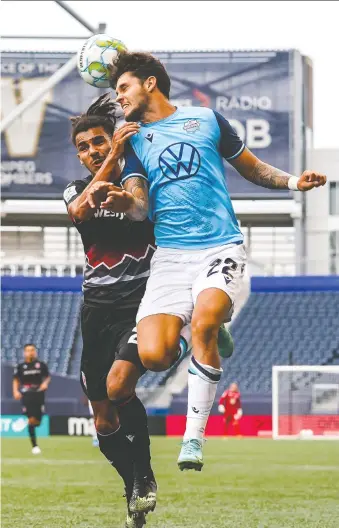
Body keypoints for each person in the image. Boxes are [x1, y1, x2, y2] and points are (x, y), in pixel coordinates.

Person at [97, 51, 327, 472]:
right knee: (154, 356)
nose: (119, 98)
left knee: (206, 319)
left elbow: (253, 169)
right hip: (170, 257)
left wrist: (295, 181)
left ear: (150, 83)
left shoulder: (206, 119)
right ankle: (198, 328)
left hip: (219, 244)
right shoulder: (131, 140)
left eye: (124, 88)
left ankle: (193, 440)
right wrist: (123, 201)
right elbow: (139, 206)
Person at [64, 95, 191, 527]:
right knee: (103, 421)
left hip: (143, 306)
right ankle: (134, 482)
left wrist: (129, 142)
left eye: (98, 141)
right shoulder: (75, 190)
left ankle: (144, 478)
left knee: (120, 386)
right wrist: (114, 152)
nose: (91, 151)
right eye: (83, 146)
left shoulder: (145, 183)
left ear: (111, 138)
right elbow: (79, 212)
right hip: (95, 312)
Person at [12, 343, 50, 455]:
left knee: (37, 422)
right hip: (26, 394)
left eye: (32, 350)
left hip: (39, 394)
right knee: (31, 419)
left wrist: (45, 383)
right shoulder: (20, 366)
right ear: (24, 352)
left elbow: (47, 377)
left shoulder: (41, 365)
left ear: (35, 351)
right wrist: (15, 391)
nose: (30, 352)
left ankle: (31, 424)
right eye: (28, 350)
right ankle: (34, 446)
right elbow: (15, 379)